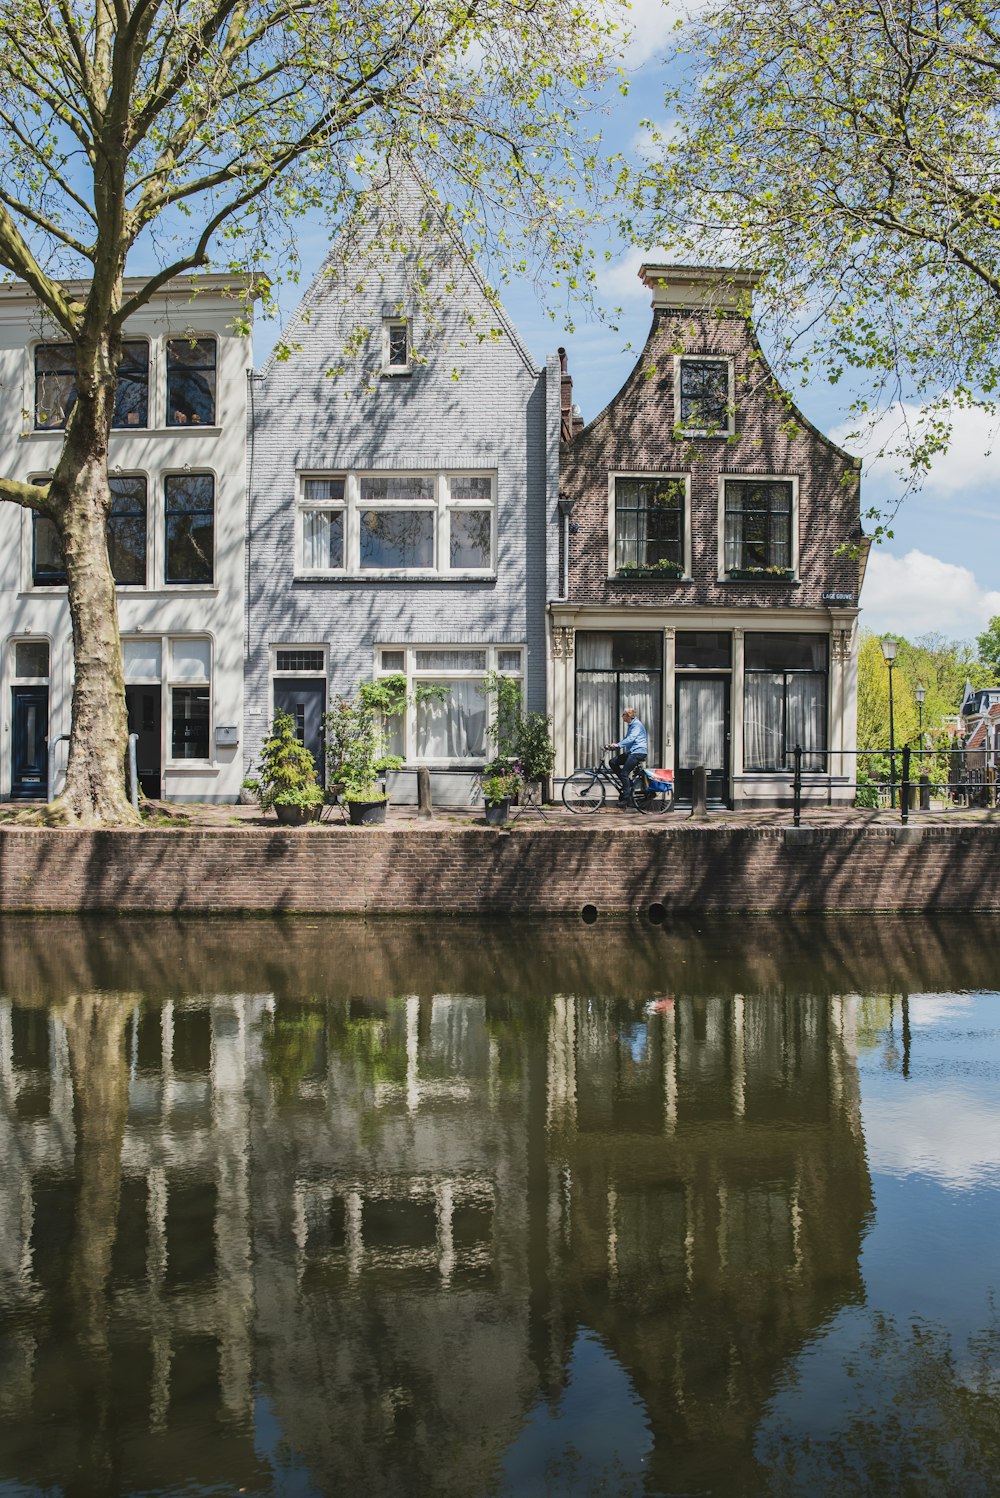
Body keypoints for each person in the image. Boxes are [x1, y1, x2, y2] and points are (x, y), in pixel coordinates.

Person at [608, 708, 648, 803]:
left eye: (624, 714)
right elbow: (627, 739)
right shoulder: (631, 725)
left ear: (629, 716)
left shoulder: (636, 725)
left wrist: (618, 745)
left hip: (638, 752)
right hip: (632, 752)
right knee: (612, 762)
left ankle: (626, 798)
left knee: (624, 773)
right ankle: (628, 783)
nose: (622, 716)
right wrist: (615, 746)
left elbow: (631, 738)